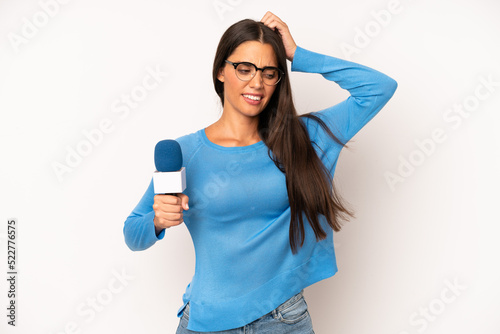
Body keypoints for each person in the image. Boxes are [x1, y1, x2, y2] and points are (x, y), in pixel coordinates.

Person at [123, 11, 397, 333]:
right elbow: (133, 233)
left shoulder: (305, 138)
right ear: (221, 71)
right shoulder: (186, 153)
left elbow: (379, 88)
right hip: (207, 322)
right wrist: (157, 220)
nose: (257, 82)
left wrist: (297, 54)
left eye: (269, 72)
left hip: (284, 320)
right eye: (244, 69)